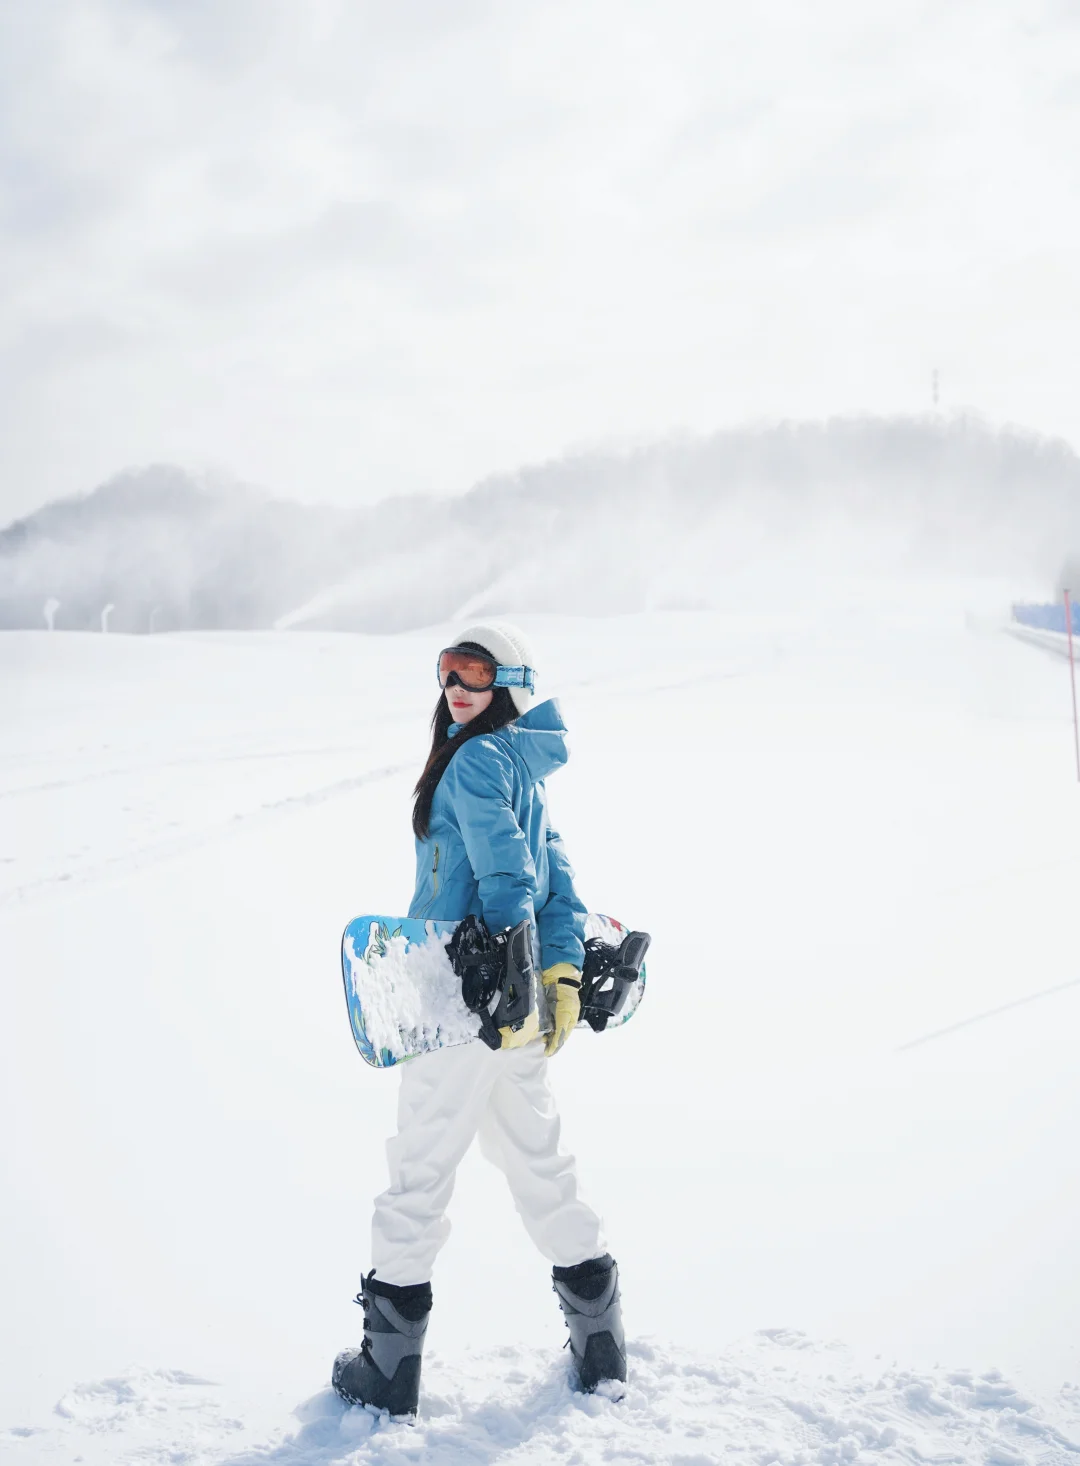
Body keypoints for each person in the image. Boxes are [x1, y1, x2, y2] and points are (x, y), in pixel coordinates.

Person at [332, 621, 625, 1416]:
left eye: (476, 673)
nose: (457, 688)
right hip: (514, 1018)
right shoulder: (522, 769)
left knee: (418, 1174)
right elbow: (558, 886)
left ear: (512, 687)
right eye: (447, 672)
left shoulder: (471, 764)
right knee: (539, 1164)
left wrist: (500, 971)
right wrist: (553, 978)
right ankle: (601, 1344)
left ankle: (388, 1369)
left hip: (463, 1005)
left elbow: (508, 876)